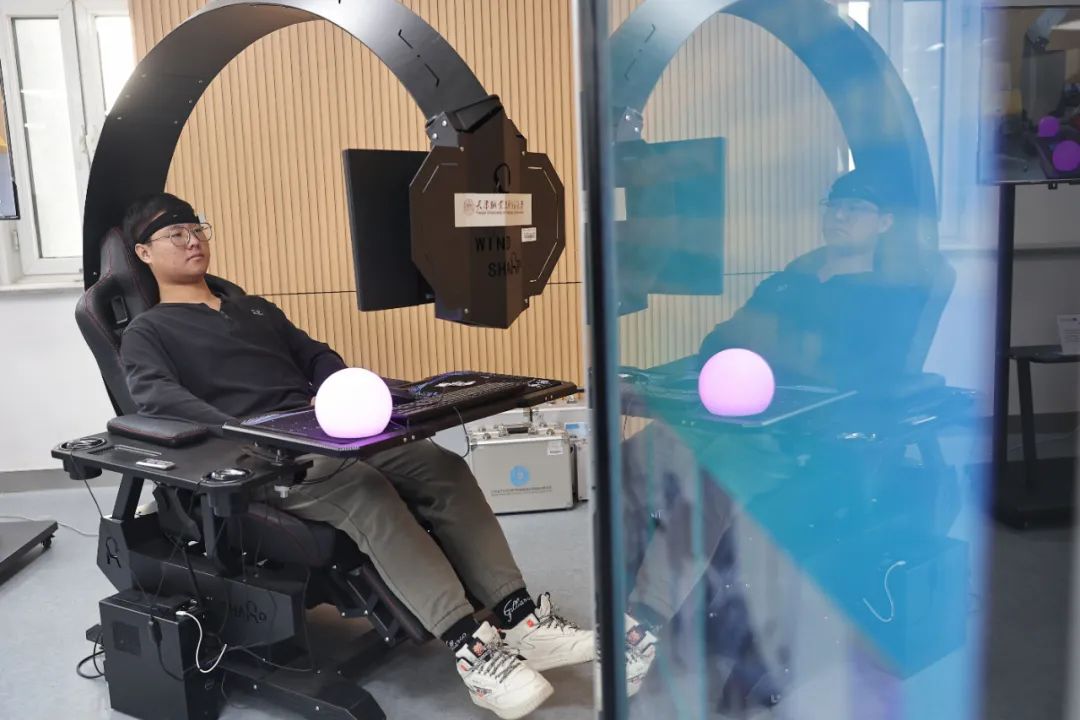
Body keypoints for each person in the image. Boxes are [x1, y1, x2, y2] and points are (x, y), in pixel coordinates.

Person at [118, 193, 594, 720]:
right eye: (175, 234)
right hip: (266, 455)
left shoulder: (253, 308)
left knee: (441, 466)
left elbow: (317, 356)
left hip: (329, 430)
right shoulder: (149, 332)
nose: (192, 240)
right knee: (366, 492)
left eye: (197, 228)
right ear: (144, 252)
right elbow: (159, 399)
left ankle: (521, 620)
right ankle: (472, 650)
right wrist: (245, 431)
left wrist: (339, 393)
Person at [620, 169, 942, 703]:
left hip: (807, 437)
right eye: (833, 204)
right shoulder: (789, 279)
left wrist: (776, 349)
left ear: (885, 222)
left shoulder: (887, 297)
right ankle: (628, 603)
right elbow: (718, 340)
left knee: (710, 481)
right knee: (630, 461)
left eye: (855, 207)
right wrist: (760, 355)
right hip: (732, 413)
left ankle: (643, 626)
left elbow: (860, 376)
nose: (839, 215)